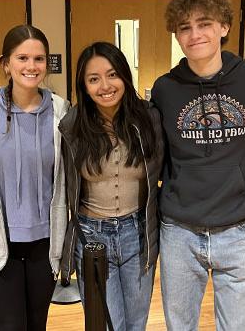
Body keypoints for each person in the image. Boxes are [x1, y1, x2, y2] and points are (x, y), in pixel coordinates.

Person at [150, 0, 245, 330]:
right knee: (180, 326)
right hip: (179, 231)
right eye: (184, 27)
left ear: (224, 27)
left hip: (241, 228)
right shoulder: (165, 88)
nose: (195, 34)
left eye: (204, 23)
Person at [59, 41, 164, 330]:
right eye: (94, 79)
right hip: (93, 237)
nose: (105, 85)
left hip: (138, 233)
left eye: (112, 74)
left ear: (125, 77)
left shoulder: (149, 118)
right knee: (105, 323)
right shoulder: (72, 124)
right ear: (84, 85)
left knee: (136, 323)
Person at [0, 24, 69, 331]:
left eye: (39, 59)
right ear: (6, 63)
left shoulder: (59, 110)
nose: (31, 66)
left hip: (45, 240)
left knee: (37, 323)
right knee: (11, 325)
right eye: (22, 58)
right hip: (1, 241)